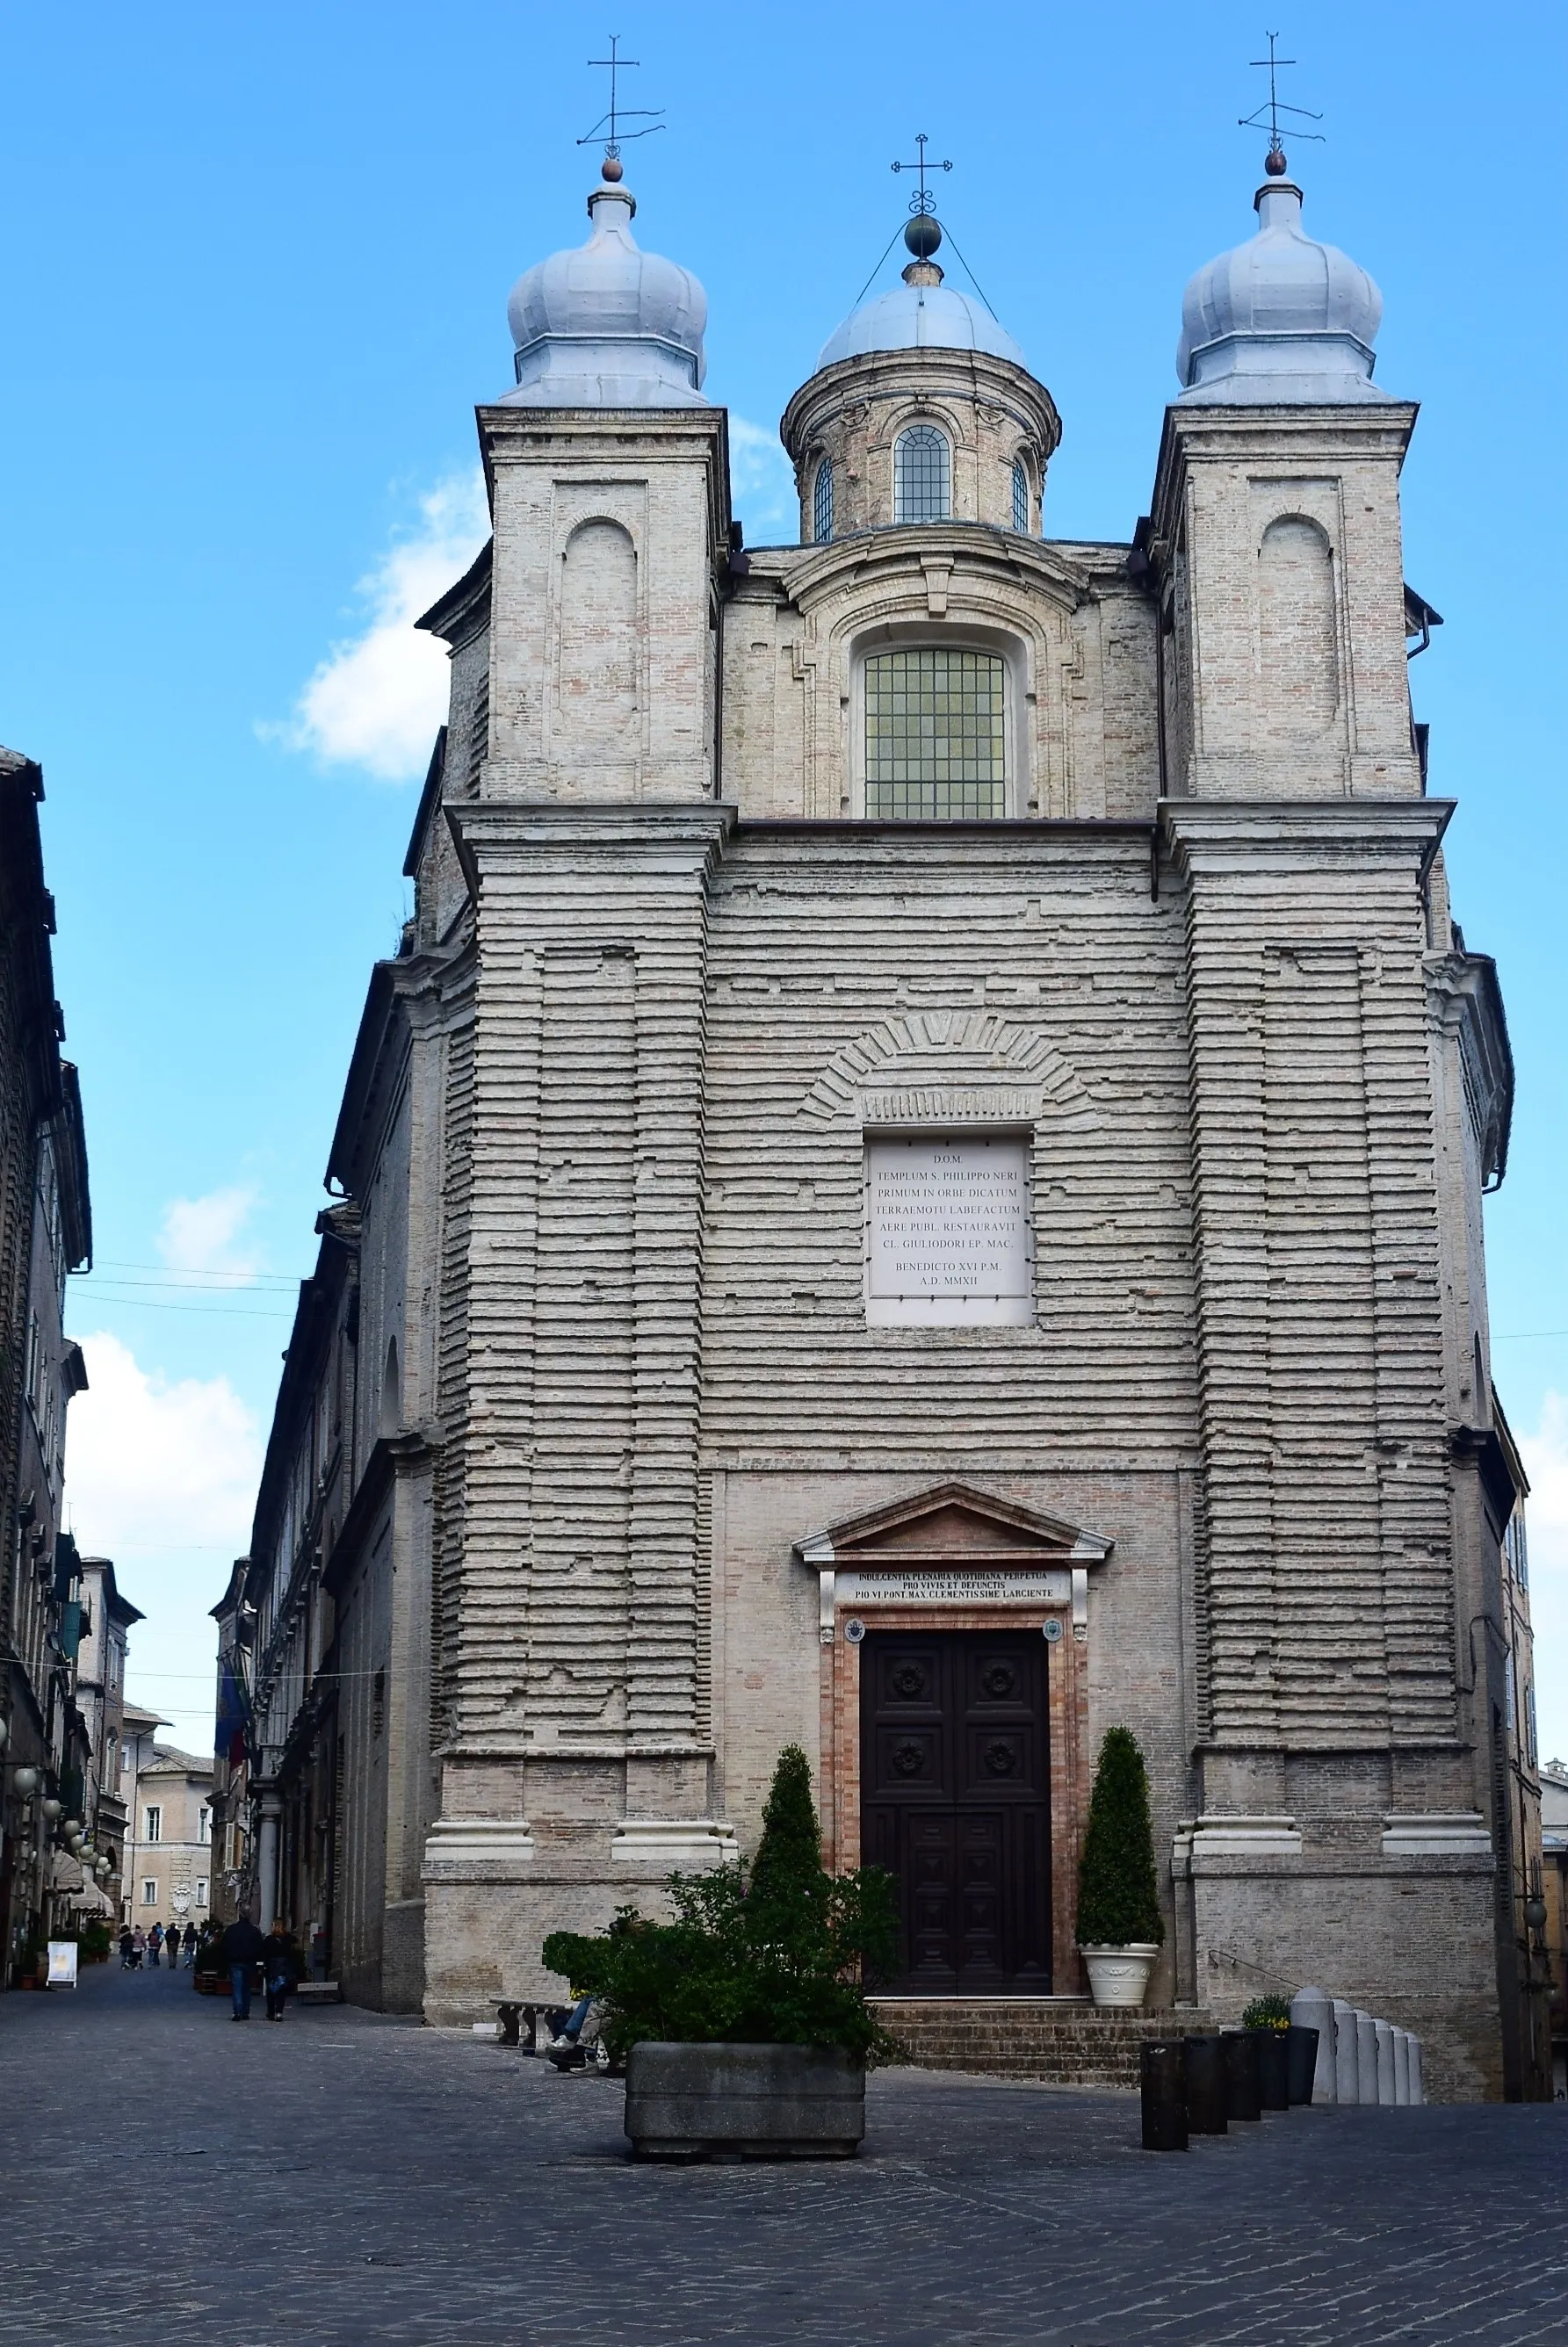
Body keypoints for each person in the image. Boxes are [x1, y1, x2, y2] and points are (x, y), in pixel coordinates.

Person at [220, 1912, 266, 2021]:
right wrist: (259, 1962)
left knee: (237, 1987)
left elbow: (224, 1946)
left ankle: (238, 2011)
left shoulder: (231, 1930)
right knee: (247, 1987)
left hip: (235, 1962)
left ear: (239, 1916)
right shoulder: (254, 1931)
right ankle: (245, 2011)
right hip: (250, 1962)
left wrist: (226, 1960)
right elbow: (260, 1948)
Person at [264, 1920, 300, 2021]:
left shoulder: (268, 1940)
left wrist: (264, 1967)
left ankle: (271, 2012)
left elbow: (265, 1954)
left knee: (271, 1989)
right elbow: (293, 1951)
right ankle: (279, 2012)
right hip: (284, 1967)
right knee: (281, 1990)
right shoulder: (288, 1939)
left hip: (272, 1968)